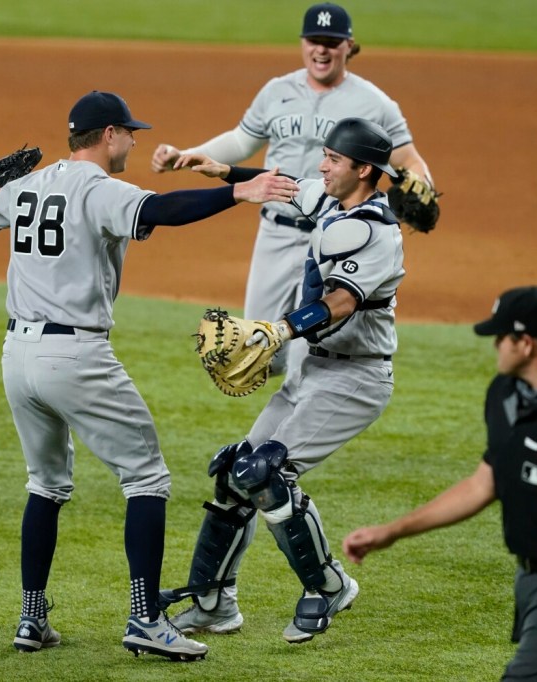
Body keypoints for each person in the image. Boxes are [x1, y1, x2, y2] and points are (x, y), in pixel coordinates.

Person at [0, 90, 297, 660]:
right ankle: (146, 619)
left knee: (45, 484)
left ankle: (31, 619)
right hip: (74, 356)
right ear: (107, 136)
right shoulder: (99, 189)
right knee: (147, 478)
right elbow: (160, 211)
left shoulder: (26, 186)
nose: (133, 140)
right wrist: (239, 191)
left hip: (16, 357)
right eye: (129, 133)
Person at [161, 117, 404, 644]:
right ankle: (212, 603)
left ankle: (329, 586)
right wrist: (223, 170)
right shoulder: (333, 201)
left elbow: (341, 301)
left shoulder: (374, 231)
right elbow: (288, 186)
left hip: (354, 380)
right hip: (309, 370)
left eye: (334, 160)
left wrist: (279, 329)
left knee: (267, 473)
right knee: (234, 473)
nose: (322, 165)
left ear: (363, 169)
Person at [151, 2, 433, 404]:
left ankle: (287, 442)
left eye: (331, 43)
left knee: (308, 348)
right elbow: (243, 141)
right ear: (302, 43)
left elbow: (408, 158)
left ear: (348, 46)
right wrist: (193, 154)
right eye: (314, 41)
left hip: (335, 237)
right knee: (261, 347)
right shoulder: (277, 90)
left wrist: (424, 182)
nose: (321, 50)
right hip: (275, 229)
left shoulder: (375, 103)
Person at [342, 285, 537, 680]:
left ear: (526, 344)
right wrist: (391, 532)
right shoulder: (506, 395)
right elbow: (483, 484)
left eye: (500, 337)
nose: (495, 346)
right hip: (534, 579)